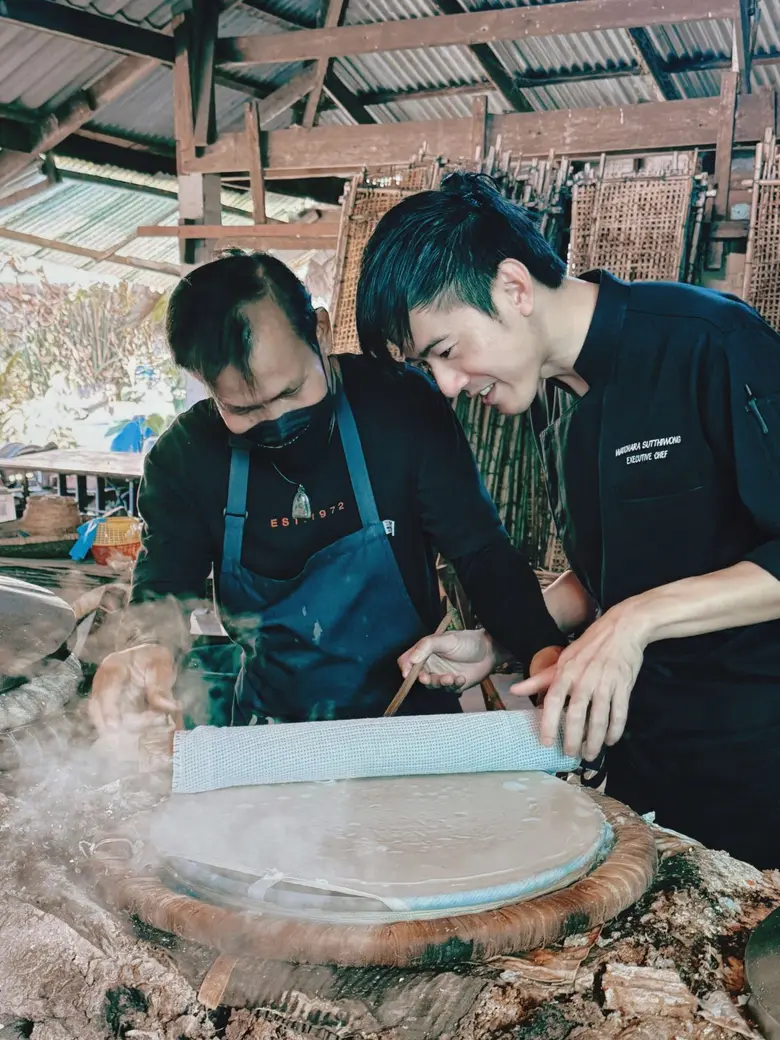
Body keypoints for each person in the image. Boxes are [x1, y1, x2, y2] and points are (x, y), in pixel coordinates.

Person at [355, 172, 780, 867]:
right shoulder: (553, 400)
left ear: (513, 289)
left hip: (757, 774)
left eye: (445, 352)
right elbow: (610, 572)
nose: (449, 387)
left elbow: (644, 598)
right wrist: (498, 641)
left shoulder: (710, 343)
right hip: (648, 769)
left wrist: (634, 621)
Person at [88, 250, 565, 732]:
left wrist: (541, 648)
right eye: (244, 410)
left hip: (411, 720)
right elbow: (165, 588)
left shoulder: (399, 407)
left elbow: (481, 551)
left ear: (320, 330)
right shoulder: (186, 458)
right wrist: (146, 645)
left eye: (291, 392)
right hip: (271, 731)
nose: (276, 422)